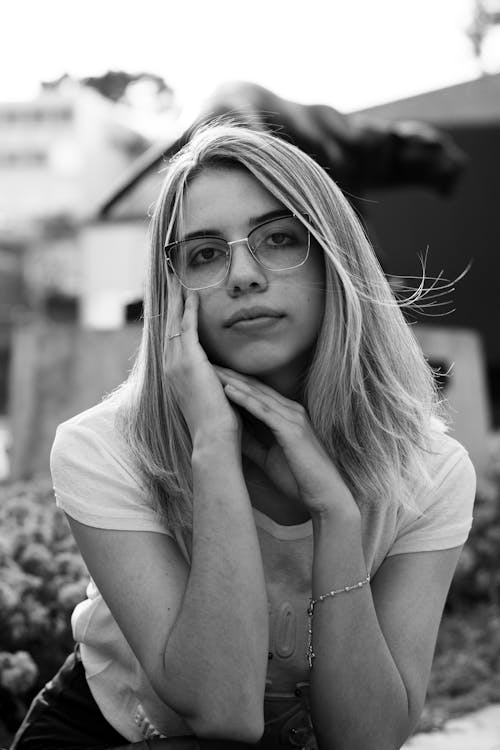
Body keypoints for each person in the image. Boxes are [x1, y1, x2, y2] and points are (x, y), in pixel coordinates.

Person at [11, 122, 475, 750]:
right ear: (171, 293)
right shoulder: (104, 448)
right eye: (204, 253)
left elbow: (367, 740)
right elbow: (223, 712)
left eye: (279, 239)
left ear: (334, 257)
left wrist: (335, 513)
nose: (243, 275)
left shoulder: (429, 469)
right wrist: (212, 444)